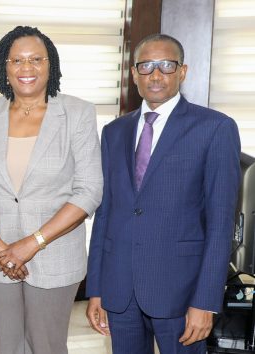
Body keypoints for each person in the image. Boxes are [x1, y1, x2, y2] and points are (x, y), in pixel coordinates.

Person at [86, 34, 241, 354]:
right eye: (146, 66)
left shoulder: (214, 128)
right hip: (120, 291)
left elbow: (221, 223)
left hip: (182, 294)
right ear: (133, 74)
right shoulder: (114, 132)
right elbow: (106, 213)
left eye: (166, 66)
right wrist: (97, 289)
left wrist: (206, 301)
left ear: (182, 72)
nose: (156, 75)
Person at [0, 25, 103, 354]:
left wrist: (31, 243)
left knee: (46, 346)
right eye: (17, 60)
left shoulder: (77, 113)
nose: (27, 68)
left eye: (37, 59)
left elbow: (89, 190)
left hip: (55, 253)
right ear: (3, 68)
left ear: (52, 66)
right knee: (2, 345)